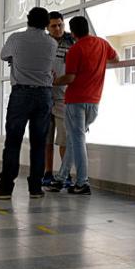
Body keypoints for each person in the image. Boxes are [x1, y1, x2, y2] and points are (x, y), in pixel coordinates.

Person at [0, 7, 56, 200]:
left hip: (21, 94)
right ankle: (36, 188)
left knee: (13, 142)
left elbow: (4, 55)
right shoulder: (51, 43)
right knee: (39, 143)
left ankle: (6, 187)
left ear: (28, 20)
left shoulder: (16, 38)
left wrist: (17, 60)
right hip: (45, 95)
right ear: (47, 23)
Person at [48, 16, 118, 195]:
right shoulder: (102, 44)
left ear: (73, 31)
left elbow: (70, 78)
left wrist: (54, 81)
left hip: (75, 102)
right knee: (73, 140)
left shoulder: (75, 49)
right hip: (94, 102)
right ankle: (61, 178)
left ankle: (82, 182)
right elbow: (116, 59)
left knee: (77, 142)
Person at [42, 11, 76, 187]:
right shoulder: (43, 42)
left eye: (60, 24)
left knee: (64, 138)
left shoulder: (73, 41)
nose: (58, 28)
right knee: (46, 139)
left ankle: (65, 174)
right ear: (47, 27)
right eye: (53, 26)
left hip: (64, 97)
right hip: (46, 96)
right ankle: (47, 172)